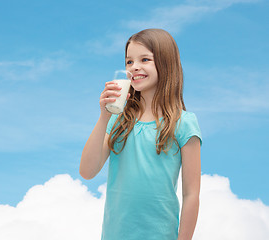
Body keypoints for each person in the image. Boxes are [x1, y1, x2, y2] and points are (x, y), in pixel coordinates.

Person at [80, 28, 202, 240]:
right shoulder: (118, 120)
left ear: (166, 63)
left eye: (144, 59)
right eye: (129, 62)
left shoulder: (183, 123)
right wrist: (104, 116)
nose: (134, 67)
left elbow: (191, 195)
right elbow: (87, 171)